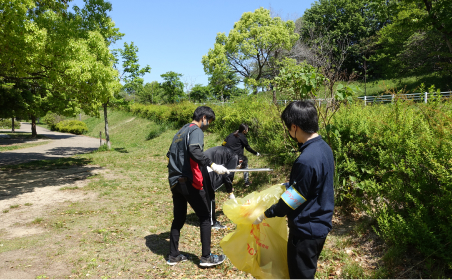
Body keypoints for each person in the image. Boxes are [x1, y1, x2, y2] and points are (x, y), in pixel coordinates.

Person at [253, 101, 335, 279]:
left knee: (300, 275)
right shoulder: (324, 148)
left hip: (306, 230)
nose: (290, 133)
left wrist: (267, 213)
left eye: (289, 128)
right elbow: (312, 184)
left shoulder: (306, 159)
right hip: (320, 223)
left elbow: (293, 200)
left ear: (295, 126)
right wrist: (292, 184)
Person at [166, 106, 229, 267]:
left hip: (175, 181)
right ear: (203, 118)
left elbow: (169, 156)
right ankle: (206, 257)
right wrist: (212, 165)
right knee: (205, 217)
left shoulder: (180, 132)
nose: (208, 125)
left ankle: (173, 256)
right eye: (209, 122)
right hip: (187, 181)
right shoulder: (196, 130)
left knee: (179, 218)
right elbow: (194, 150)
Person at [204, 146, 239, 229]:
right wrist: (230, 192)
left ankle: (205, 218)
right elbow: (227, 175)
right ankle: (212, 222)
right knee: (210, 195)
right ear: (240, 162)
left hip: (203, 162)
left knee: (206, 194)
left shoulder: (227, 151)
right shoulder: (235, 157)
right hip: (207, 167)